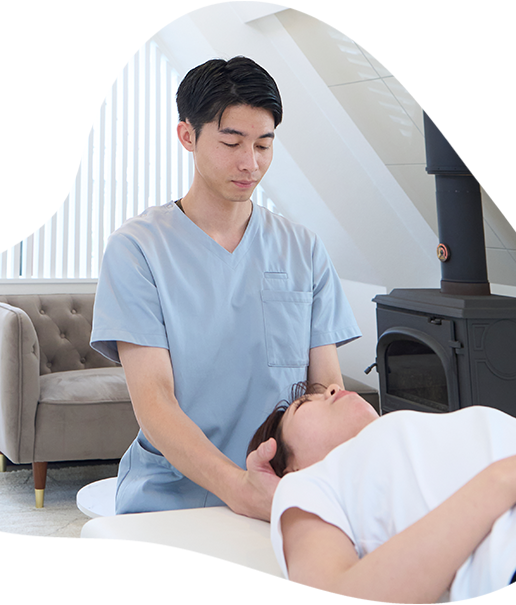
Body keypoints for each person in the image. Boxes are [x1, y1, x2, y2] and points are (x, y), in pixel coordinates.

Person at [90, 56, 361, 521]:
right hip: (172, 496)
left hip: (284, 486)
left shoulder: (303, 249)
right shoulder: (137, 249)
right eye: (231, 142)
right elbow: (155, 402)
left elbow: (326, 390)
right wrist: (240, 488)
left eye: (263, 144)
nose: (250, 162)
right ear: (187, 136)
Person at [248, 383, 516, 603]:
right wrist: (506, 480)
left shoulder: (421, 431)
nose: (333, 388)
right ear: (290, 467)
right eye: (304, 403)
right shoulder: (307, 483)